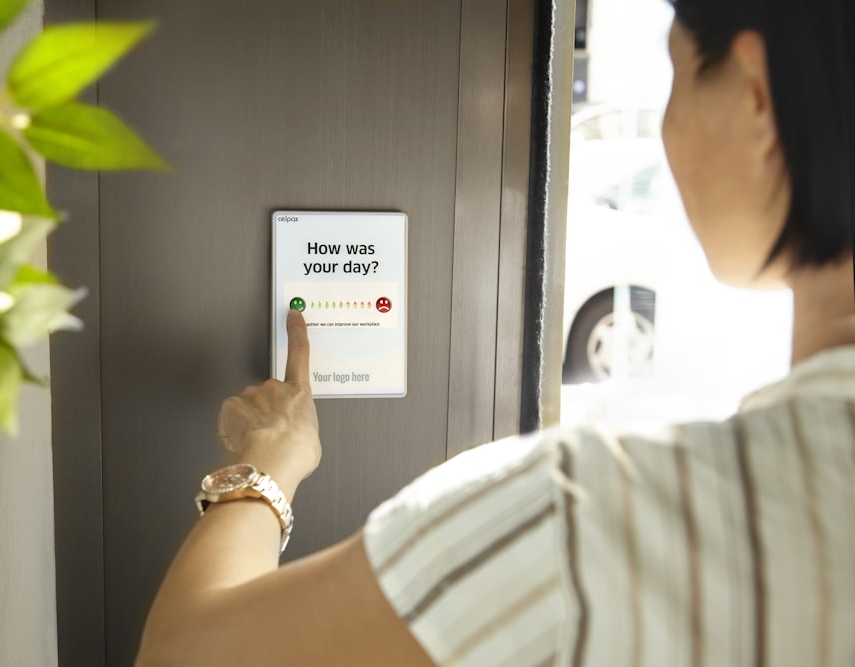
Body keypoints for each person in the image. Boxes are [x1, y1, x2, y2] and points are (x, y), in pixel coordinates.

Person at [136, 0, 855, 664]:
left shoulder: (587, 514)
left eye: (677, 72)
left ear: (755, 96)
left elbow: (183, 652)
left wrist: (272, 461)